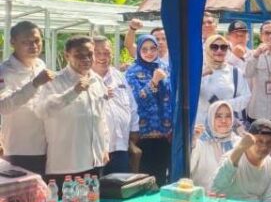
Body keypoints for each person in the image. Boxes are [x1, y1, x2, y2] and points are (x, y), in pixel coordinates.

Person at [35, 36, 109, 187]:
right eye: (79, 55)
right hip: (66, 164)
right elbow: (43, 111)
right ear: (66, 55)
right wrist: (73, 92)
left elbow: (101, 118)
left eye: (90, 54)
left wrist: (105, 147)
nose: (86, 59)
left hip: (95, 161)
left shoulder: (97, 80)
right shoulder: (54, 81)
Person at [0, 21, 54, 175]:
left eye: (37, 40)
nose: (33, 46)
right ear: (12, 42)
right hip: (20, 149)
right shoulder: (4, 71)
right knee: (22, 197)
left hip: (46, 145)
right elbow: (3, 106)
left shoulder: (40, 65)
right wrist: (35, 83)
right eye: (26, 42)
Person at [125, 35, 172, 186]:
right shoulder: (132, 72)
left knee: (162, 179)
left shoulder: (164, 67)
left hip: (164, 135)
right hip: (143, 136)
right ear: (138, 50)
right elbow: (137, 100)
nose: (149, 52)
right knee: (144, 180)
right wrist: (154, 81)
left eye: (153, 48)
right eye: (144, 49)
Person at [92, 36, 140, 175]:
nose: (102, 57)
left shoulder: (118, 76)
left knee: (120, 189)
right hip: (96, 149)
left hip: (121, 145)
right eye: (97, 53)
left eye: (106, 53)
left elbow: (131, 105)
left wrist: (134, 129)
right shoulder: (85, 78)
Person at [211, 119, 271, 202]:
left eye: (269, 142)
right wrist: (240, 148)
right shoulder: (233, 156)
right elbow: (216, 187)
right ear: (249, 141)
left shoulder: (270, 164)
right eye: (259, 141)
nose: (264, 147)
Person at [198, 34, 251, 125]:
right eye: (214, 47)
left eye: (223, 47)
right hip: (203, 125)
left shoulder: (235, 71)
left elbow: (246, 96)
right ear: (207, 49)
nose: (219, 50)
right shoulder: (197, 71)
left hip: (226, 124)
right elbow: (187, 94)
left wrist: (224, 105)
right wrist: (201, 76)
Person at [191, 101, 240, 190]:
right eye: (218, 116)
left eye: (228, 116)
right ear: (211, 118)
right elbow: (188, 168)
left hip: (232, 199)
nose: (224, 121)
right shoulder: (200, 142)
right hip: (204, 198)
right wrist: (192, 142)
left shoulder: (238, 143)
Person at [244, 20, 271, 122]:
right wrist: (256, 55)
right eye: (267, 33)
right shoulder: (252, 55)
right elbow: (247, 74)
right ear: (261, 36)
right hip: (257, 111)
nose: (270, 36)